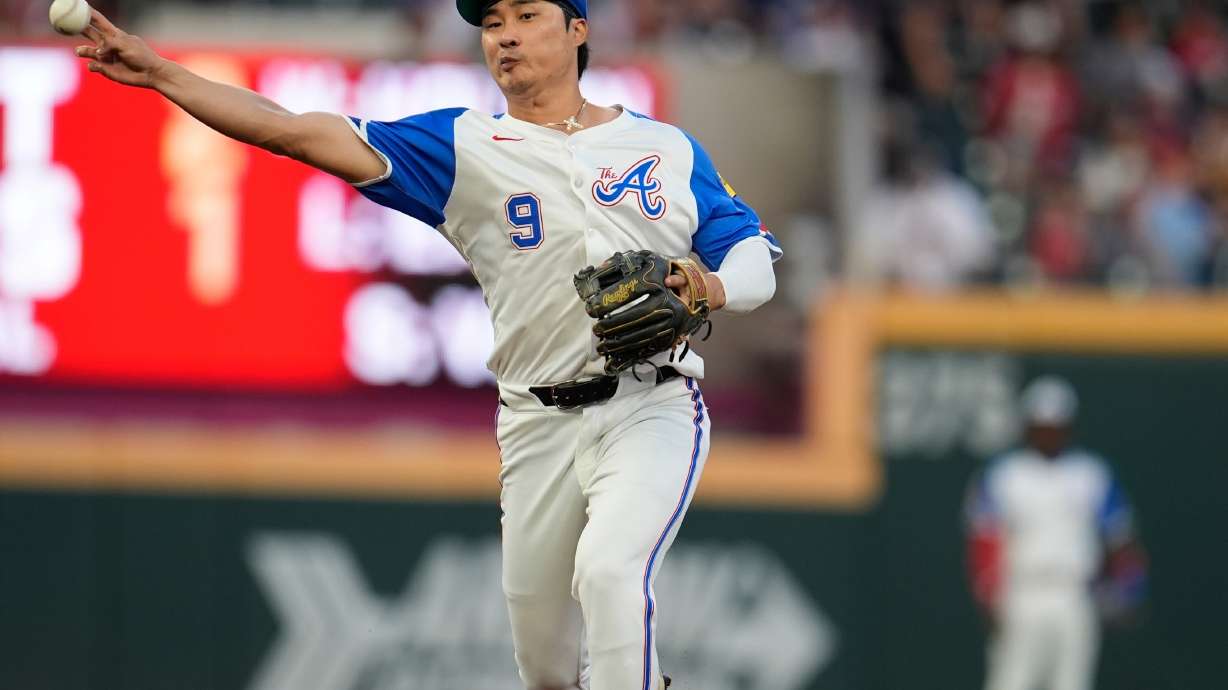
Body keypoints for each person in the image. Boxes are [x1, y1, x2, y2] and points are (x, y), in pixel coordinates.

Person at [72, 2, 782, 689]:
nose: (505, 35)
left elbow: (752, 253)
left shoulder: (663, 147)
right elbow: (292, 131)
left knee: (609, 573)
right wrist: (162, 73)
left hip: (650, 404)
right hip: (537, 422)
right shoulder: (461, 147)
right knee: (545, 669)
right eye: (492, 23)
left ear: (577, 30)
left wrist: (709, 287)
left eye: (526, 16)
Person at [965, 376, 1147, 690]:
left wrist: (1129, 587)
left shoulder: (1090, 473)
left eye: (1055, 426)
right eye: (1041, 426)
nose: (1048, 434)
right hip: (1022, 593)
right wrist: (988, 596)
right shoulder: (1005, 475)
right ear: (1028, 426)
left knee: (1072, 683)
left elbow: (1120, 537)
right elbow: (984, 539)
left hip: (1074, 593)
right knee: (1010, 682)